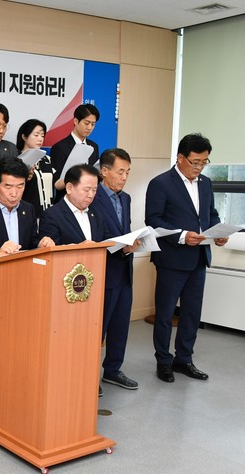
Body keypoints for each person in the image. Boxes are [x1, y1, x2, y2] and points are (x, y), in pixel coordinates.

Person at [0, 157, 54, 423]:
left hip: (19, 291)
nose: (14, 193)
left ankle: (5, 390)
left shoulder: (27, 209)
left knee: (13, 347)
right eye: (8, 186)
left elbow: (28, 241)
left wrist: (41, 242)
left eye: (20, 186)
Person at [145, 133, 227, 383]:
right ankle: (163, 361)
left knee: (192, 314)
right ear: (180, 157)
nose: (199, 167)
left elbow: (211, 214)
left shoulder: (205, 183)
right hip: (172, 259)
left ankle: (184, 359)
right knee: (165, 314)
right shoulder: (161, 183)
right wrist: (181, 236)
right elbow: (153, 220)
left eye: (204, 162)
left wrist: (218, 232)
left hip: (199, 258)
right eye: (195, 162)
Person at [89, 148, 139, 392]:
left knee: (120, 326)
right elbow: (94, 235)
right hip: (103, 271)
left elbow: (124, 229)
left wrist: (132, 243)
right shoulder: (93, 196)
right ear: (104, 171)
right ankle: (89, 375)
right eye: (120, 172)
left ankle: (112, 370)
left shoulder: (125, 198)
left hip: (124, 270)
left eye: (127, 172)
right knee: (98, 327)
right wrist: (119, 244)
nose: (124, 177)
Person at [39, 163, 105, 245]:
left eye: (94, 190)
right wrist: (79, 248)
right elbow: (49, 249)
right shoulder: (51, 215)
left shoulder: (97, 213)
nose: (91, 195)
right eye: (86, 190)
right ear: (69, 188)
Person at [50, 104, 100, 204]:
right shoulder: (60, 147)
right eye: (86, 123)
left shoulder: (94, 147)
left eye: (93, 124)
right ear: (76, 121)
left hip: (89, 203)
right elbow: (56, 183)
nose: (89, 127)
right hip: (66, 202)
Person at [15, 118, 54, 217]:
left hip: (48, 214)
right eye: (36, 135)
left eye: (42, 135)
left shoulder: (47, 159)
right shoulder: (17, 160)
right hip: (27, 214)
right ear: (24, 137)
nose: (40, 139)